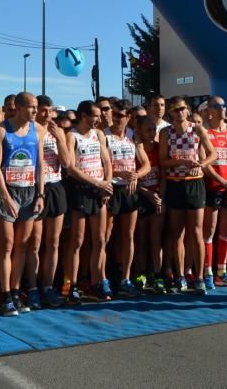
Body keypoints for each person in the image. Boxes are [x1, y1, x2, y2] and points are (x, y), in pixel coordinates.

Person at [0, 92, 45, 315]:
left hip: (29, 192)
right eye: (32, 107)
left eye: (36, 107)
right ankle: (4, 295)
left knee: (22, 244)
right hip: (8, 192)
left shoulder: (38, 130)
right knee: (7, 243)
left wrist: (41, 195)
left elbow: (40, 164)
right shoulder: (2, 130)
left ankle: (15, 291)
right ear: (20, 107)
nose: (35, 111)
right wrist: (5, 196)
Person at [159, 96, 217, 294]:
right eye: (175, 110)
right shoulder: (166, 132)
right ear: (170, 113)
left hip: (195, 184)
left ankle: (199, 277)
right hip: (176, 184)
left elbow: (213, 154)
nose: (180, 113)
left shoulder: (197, 128)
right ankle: (180, 276)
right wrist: (182, 163)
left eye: (182, 108)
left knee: (197, 232)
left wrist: (201, 164)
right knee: (177, 233)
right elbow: (163, 161)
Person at [62, 100, 113, 304]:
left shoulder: (98, 134)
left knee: (100, 240)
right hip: (81, 190)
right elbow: (71, 168)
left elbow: (107, 161)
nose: (98, 120)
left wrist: (107, 184)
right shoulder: (71, 136)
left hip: (99, 190)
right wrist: (97, 183)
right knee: (77, 241)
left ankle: (97, 282)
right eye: (95, 116)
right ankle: (69, 286)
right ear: (83, 116)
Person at [105, 99, 150, 298]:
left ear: (128, 118)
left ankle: (125, 279)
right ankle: (104, 278)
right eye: (113, 115)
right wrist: (119, 173)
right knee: (104, 238)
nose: (116, 119)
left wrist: (135, 175)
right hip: (111, 188)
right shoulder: (104, 135)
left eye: (120, 116)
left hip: (128, 190)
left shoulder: (133, 136)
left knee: (128, 236)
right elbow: (99, 164)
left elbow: (146, 164)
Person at [202, 96, 227, 288]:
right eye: (218, 106)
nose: (222, 109)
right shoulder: (205, 131)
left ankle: (221, 271)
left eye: (224, 105)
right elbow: (205, 165)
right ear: (209, 110)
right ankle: (207, 272)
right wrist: (223, 182)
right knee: (209, 230)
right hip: (213, 187)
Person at [35, 95, 68, 308]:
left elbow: (67, 163)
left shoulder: (59, 132)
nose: (47, 115)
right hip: (36, 188)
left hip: (55, 186)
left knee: (53, 242)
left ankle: (48, 286)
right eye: (43, 110)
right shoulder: (30, 131)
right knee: (34, 244)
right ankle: (32, 287)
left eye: (50, 110)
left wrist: (59, 139)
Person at [134, 115, 166, 293]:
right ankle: (140, 272)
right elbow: (131, 178)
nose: (152, 133)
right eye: (148, 130)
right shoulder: (135, 150)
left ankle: (157, 274)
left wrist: (159, 195)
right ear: (139, 131)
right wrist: (146, 192)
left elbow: (163, 174)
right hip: (141, 196)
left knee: (156, 238)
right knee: (141, 238)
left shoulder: (159, 148)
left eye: (154, 129)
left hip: (156, 196)